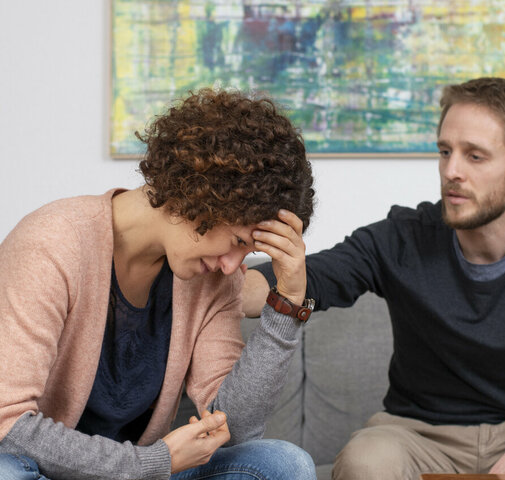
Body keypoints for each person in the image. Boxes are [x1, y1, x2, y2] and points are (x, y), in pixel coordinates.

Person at [242, 77, 505, 479]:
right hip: (419, 436)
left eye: (475, 156)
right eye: (445, 151)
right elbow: (310, 279)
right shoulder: (403, 236)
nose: (452, 171)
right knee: (366, 461)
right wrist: (208, 279)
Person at [0, 88, 317, 480]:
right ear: (200, 194)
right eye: (237, 241)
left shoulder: (215, 278)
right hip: (50, 471)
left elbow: (233, 429)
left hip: (149, 473)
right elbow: (8, 426)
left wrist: (287, 302)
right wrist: (153, 462)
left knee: (284, 464)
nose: (234, 265)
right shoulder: (52, 243)